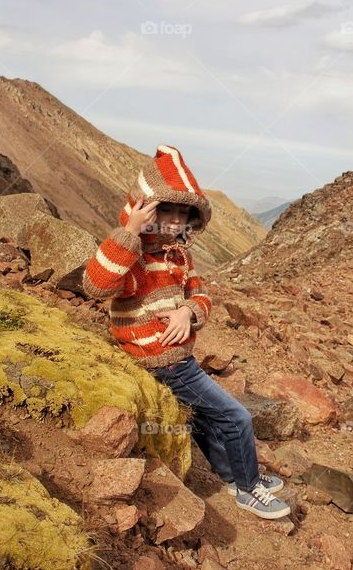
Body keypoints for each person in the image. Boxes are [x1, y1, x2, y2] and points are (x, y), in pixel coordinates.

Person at [82, 144, 290, 520]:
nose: (176, 221)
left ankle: (232, 474)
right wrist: (129, 232)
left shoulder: (178, 256)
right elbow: (95, 285)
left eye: (183, 212)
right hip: (162, 363)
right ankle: (248, 488)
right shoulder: (135, 257)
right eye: (167, 210)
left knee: (210, 421)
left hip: (180, 358)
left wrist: (187, 312)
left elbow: (202, 296)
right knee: (236, 417)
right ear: (145, 207)